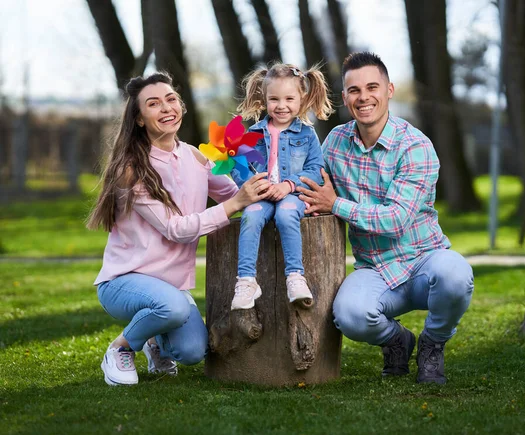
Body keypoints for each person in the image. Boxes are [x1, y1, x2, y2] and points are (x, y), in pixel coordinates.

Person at [297, 52, 474, 384]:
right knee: (349, 315)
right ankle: (397, 341)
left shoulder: (415, 147)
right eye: (354, 90)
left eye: (372, 87)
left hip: (424, 263)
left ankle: (432, 345)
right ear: (345, 98)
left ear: (389, 90)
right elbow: (312, 186)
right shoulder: (335, 143)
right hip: (375, 268)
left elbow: (395, 221)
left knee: (456, 274)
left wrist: (335, 204)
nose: (363, 97)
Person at [86, 72, 270, 386]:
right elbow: (177, 229)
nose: (166, 107)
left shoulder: (196, 157)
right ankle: (121, 347)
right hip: (124, 281)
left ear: (181, 106)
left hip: (171, 289)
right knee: (169, 307)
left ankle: (156, 343)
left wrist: (272, 194)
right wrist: (237, 203)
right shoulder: (131, 169)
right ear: (140, 119)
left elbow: (231, 193)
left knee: (191, 351)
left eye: (171, 99)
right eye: (153, 104)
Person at [229, 63, 333, 322]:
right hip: (263, 197)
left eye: (289, 98)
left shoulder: (307, 135)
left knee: (287, 215)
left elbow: (315, 167)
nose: (281, 105)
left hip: (292, 196)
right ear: (264, 100)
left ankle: (295, 277)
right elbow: (239, 167)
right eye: (274, 99)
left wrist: (289, 185)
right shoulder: (252, 134)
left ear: (302, 99)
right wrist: (254, 184)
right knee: (251, 216)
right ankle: (246, 280)